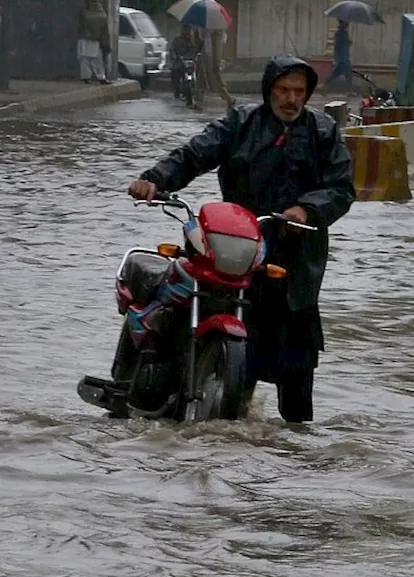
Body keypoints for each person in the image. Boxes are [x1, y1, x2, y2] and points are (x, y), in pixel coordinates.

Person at [126, 56, 356, 423]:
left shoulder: (323, 132)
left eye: (299, 91)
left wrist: (307, 210)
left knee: (297, 369)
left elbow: (342, 188)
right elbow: (195, 154)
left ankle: (294, 449)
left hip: (295, 263)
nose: (291, 99)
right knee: (199, 312)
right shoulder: (241, 122)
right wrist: (154, 179)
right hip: (234, 249)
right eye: (283, 90)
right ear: (269, 90)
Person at [197, 27, 234, 110]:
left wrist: (217, 62)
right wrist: (202, 30)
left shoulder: (218, 34)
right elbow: (202, 38)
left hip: (212, 59)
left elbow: (218, 48)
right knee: (201, 78)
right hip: (205, 56)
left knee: (216, 81)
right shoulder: (207, 31)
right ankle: (198, 101)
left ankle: (229, 98)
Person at [78, 0, 111, 84]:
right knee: (97, 60)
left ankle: (86, 77)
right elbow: (105, 32)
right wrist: (106, 44)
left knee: (84, 59)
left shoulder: (84, 13)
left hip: (84, 38)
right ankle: (101, 77)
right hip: (95, 40)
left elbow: (80, 26)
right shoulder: (102, 15)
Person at [168, 24, 200, 99]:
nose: (187, 32)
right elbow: (172, 49)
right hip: (177, 63)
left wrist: (188, 58)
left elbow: (193, 52)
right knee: (175, 74)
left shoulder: (191, 41)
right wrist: (174, 56)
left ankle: (187, 91)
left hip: (187, 64)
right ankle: (177, 91)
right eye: (185, 30)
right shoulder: (177, 39)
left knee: (188, 76)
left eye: (188, 30)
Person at [323, 20, 353, 91]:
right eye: (346, 23)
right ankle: (350, 90)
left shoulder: (345, 33)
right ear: (342, 23)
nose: (347, 24)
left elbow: (344, 44)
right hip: (341, 58)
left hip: (344, 57)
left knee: (335, 74)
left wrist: (348, 42)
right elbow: (337, 45)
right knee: (348, 74)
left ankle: (324, 85)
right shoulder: (339, 33)